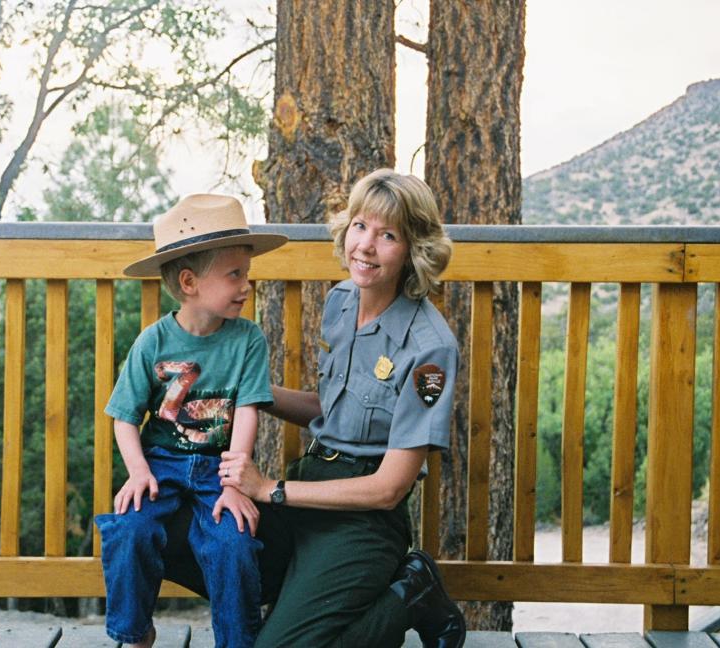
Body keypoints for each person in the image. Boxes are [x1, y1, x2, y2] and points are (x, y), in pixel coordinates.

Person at [216, 168, 467, 648]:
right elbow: (330, 411)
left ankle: (410, 593)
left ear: (415, 249)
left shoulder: (429, 350)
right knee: (198, 541)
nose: (366, 246)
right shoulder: (342, 301)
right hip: (310, 487)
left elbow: (389, 488)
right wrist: (253, 392)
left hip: (363, 519)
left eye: (388, 234)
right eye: (360, 226)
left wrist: (272, 489)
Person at [94, 194, 288, 648]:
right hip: (160, 462)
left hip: (218, 467)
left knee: (233, 542)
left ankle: (237, 641)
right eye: (234, 274)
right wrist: (138, 472)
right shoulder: (152, 342)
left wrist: (234, 482)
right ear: (189, 282)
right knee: (129, 530)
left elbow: (246, 412)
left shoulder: (248, 340)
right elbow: (124, 417)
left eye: (247, 272)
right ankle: (136, 632)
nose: (247, 285)